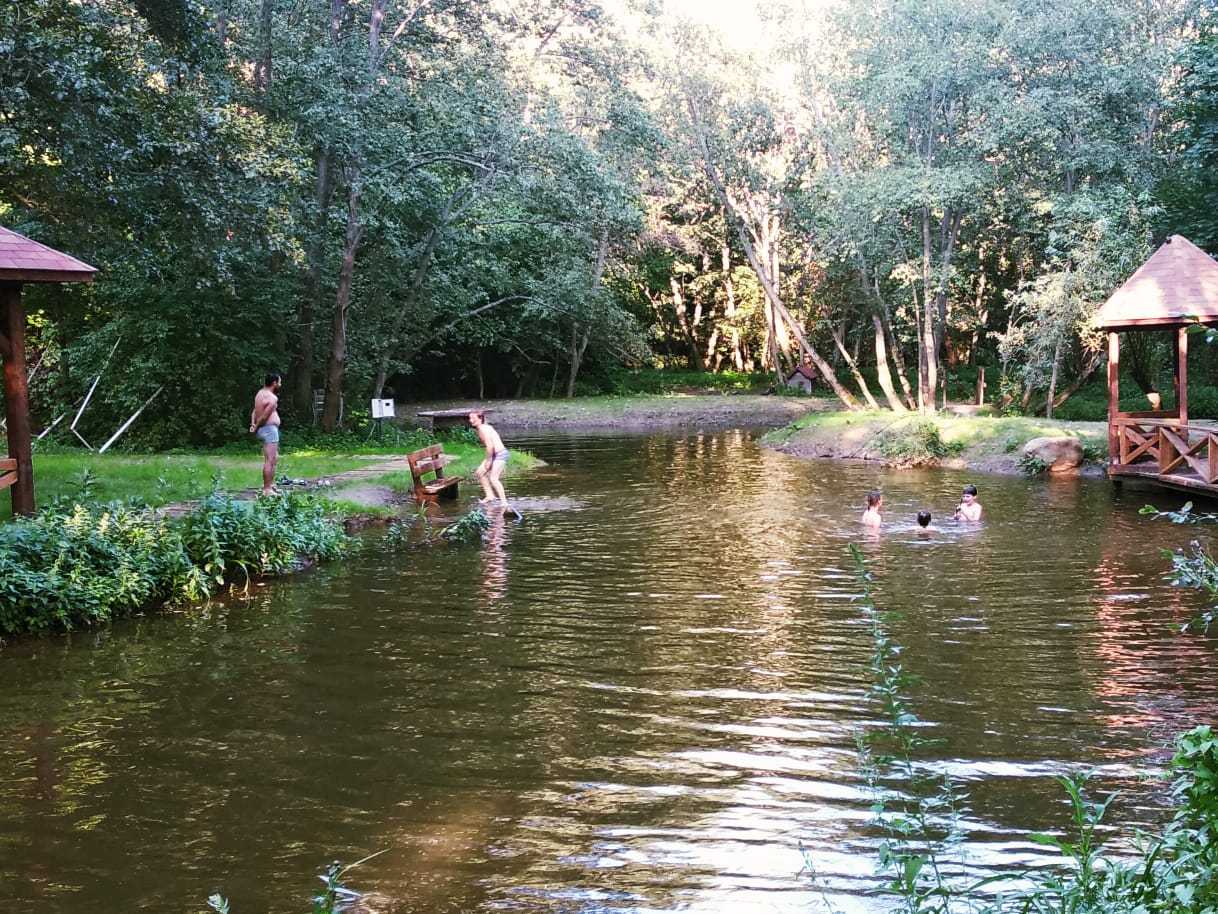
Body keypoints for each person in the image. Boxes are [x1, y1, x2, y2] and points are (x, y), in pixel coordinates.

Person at [250, 372, 282, 496]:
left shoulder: (260, 394)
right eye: (279, 382)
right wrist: (256, 426)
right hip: (269, 430)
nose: (280, 384)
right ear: (274, 383)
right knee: (270, 460)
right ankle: (267, 489)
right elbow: (264, 416)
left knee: (274, 458)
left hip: (265, 429)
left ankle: (271, 485)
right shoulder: (272, 398)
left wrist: (253, 424)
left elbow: (255, 411)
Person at [469, 410, 509, 506]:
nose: (471, 421)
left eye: (473, 418)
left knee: (493, 478)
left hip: (500, 454)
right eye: (469, 418)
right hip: (495, 455)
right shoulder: (482, 428)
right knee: (479, 473)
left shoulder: (484, 429)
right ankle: (490, 495)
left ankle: (504, 503)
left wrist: (489, 460)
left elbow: (490, 446)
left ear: (480, 418)